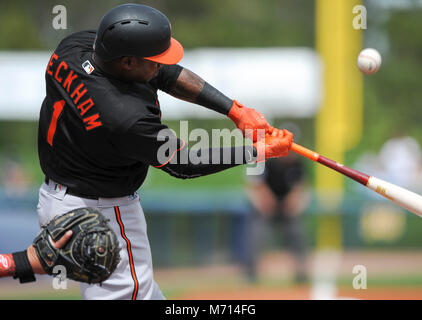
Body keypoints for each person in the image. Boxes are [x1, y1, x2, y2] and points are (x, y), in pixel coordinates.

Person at [37, 3, 293, 300]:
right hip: (99, 209)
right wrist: (257, 151)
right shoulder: (124, 116)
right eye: (154, 60)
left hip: (61, 197)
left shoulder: (74, 47)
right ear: (128, 63)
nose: (160, 65)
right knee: (131, 296)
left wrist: (234, 110)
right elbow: (183, 162)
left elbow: (167, 75)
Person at [245, 153, 310, 283]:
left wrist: (293, 203)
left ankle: (301, 273)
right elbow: (255, 186)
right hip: (264, 206)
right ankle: (251, 273)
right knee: (256, 235)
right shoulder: (263, 161)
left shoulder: (297, 164)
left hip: (286, 208)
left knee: (297, 233)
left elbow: (300, 187)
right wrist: (266, 202)